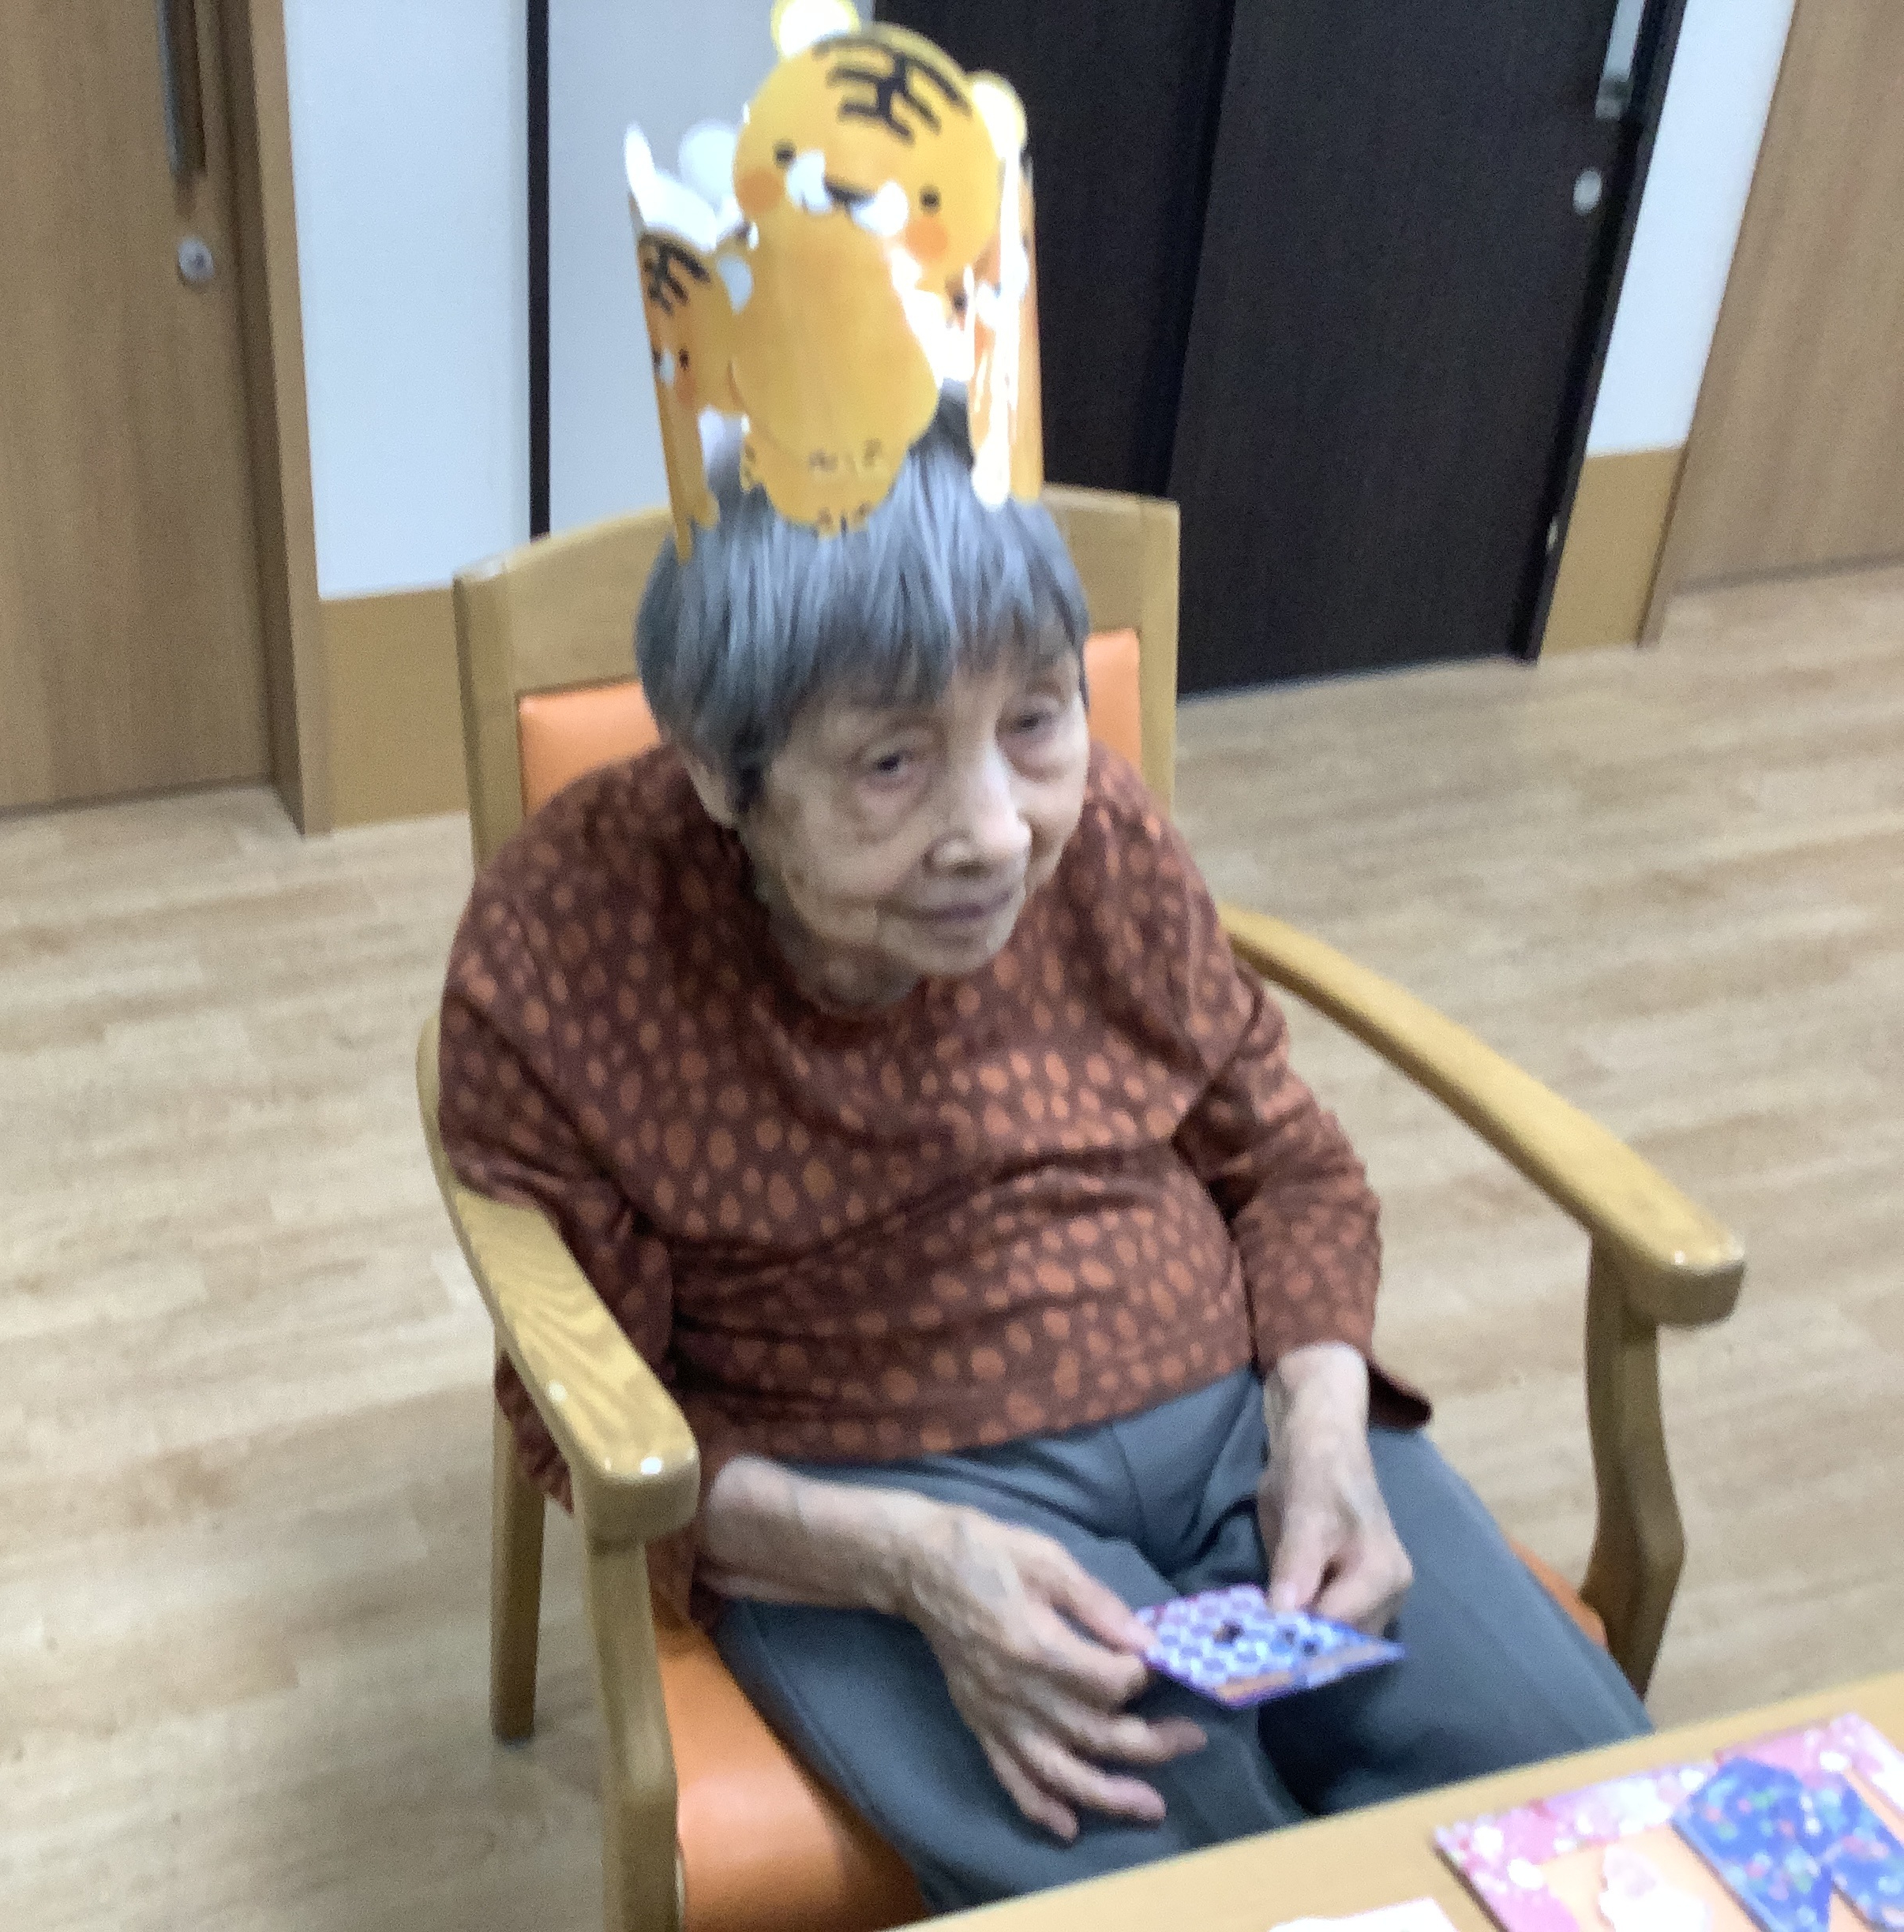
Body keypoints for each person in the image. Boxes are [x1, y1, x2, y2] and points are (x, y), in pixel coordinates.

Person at [437, 400, 1648, 1913]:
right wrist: (908, 1562)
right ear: (723, 773)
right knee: (1190, 1883)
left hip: (1238, 1419)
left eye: (1035, 721)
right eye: (892, 760)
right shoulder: (570, 947)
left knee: (1599, 1814)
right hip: (880, 1485)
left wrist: (1326, 1428)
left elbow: (1288, 1165)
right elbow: (587, 1411)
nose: (999, 835)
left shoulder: (1106, 839)